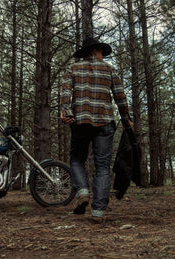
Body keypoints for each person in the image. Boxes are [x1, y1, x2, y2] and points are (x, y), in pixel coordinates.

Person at [60, 37, 132, 220]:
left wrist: (66, 111)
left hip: (80, 122)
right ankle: (98, 212)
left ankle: (83, 192)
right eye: (101, 52)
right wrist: (126, 119)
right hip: (105, 123)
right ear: (94, 51)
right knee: (102, 167)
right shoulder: (109, 69)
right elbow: (120, 97)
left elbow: (65, 91)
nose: (102, 56)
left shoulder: (73, 69)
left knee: (77, 160)